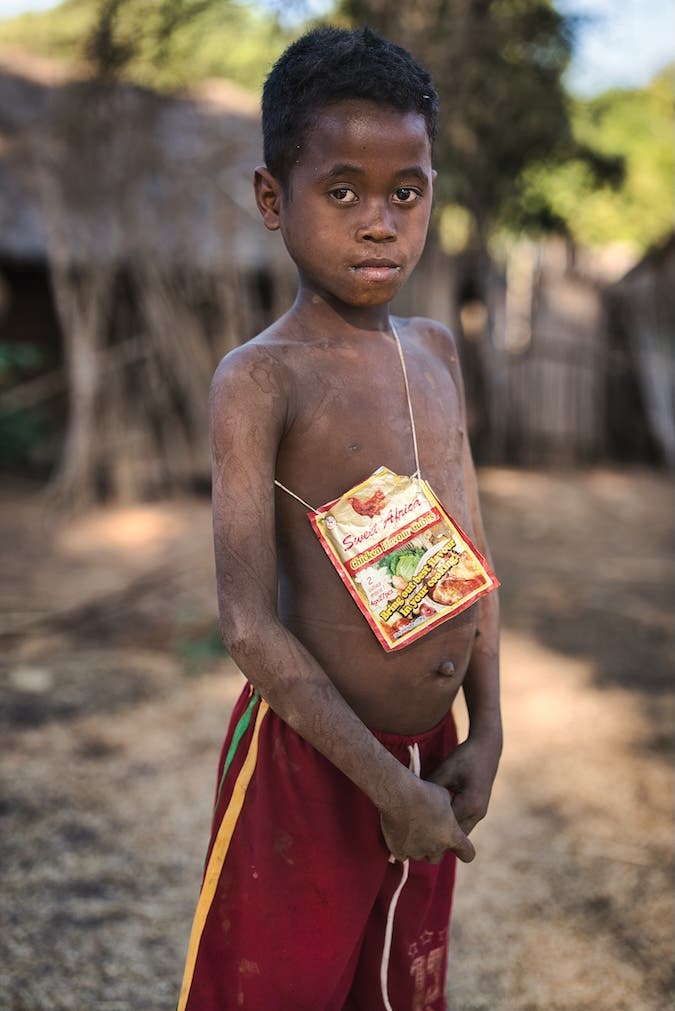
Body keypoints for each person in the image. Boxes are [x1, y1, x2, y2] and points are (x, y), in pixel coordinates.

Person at [177, 25, 501, 1011]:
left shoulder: (436, 353)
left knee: (396, 989)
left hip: (428, 760)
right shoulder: (260, 378)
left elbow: (472, 558)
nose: (379, 223)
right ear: (274, 199)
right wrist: (380, 785)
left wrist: (486, 731)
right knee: (277, 991)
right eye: (343, 191)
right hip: (311, 761)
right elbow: (247, 625)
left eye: (406, 192)